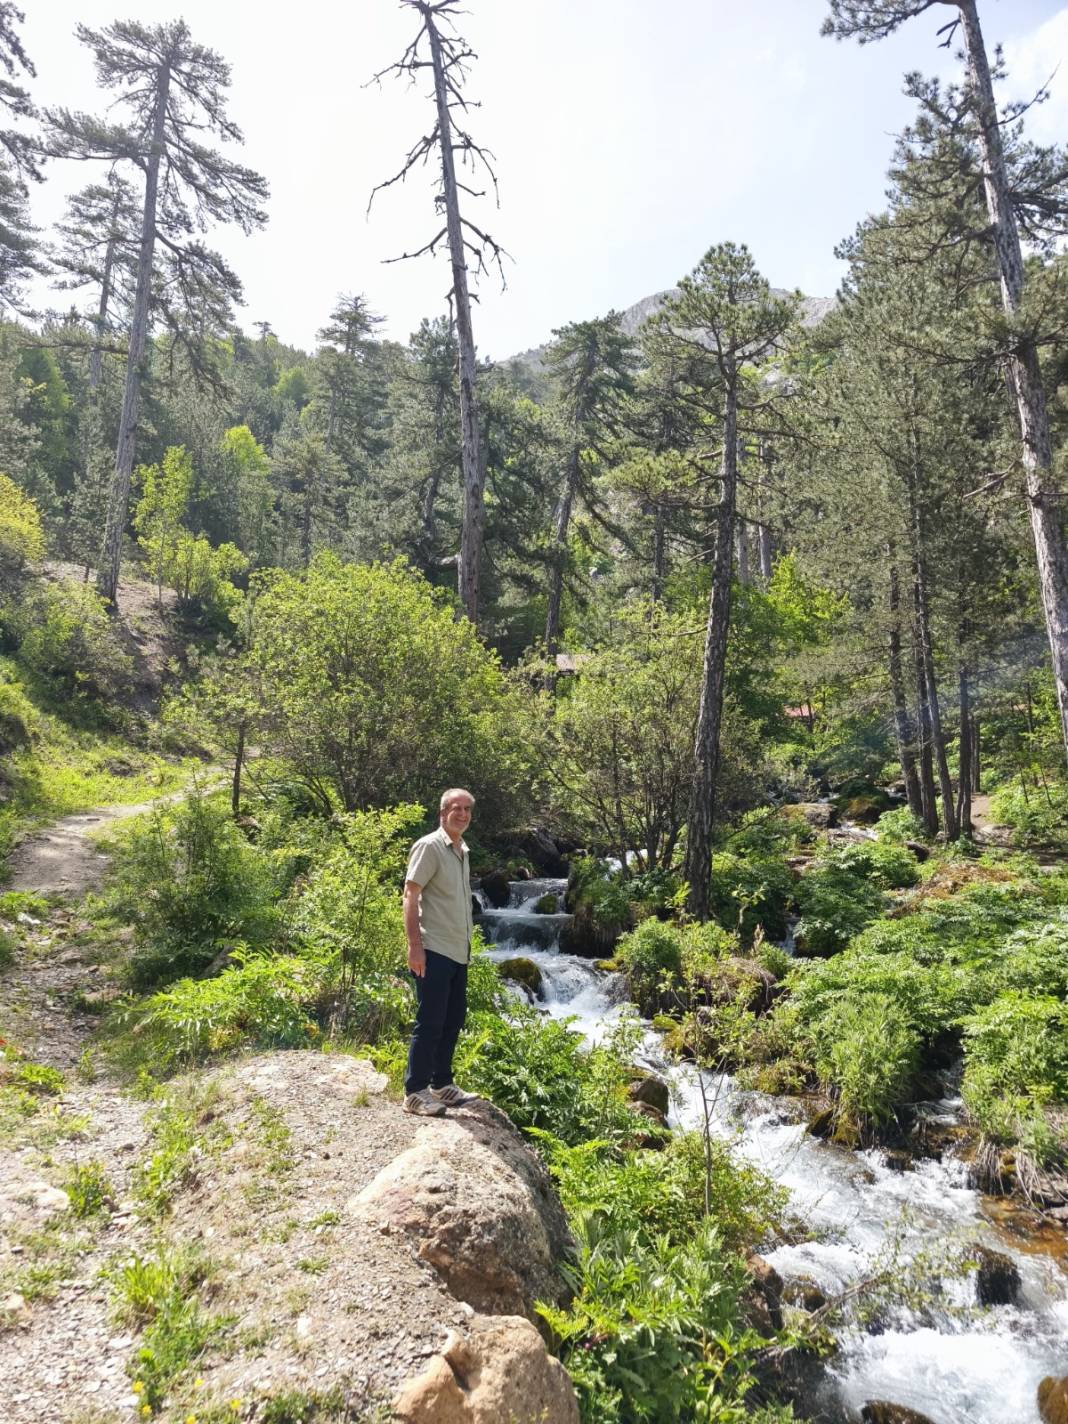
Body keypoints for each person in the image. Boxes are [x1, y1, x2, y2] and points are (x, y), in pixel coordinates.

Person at [402, 787, 481, 1116]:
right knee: (430, 1022)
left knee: (452, 1019)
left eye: (466, 809)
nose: (461, 814)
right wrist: (414, 947)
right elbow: (410, 896)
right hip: (433, 948)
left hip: (457, 951)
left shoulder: (462, 850)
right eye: (455, 808)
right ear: (442, 813)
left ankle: (441, 1083)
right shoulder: (430, 846)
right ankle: (415, 1092)